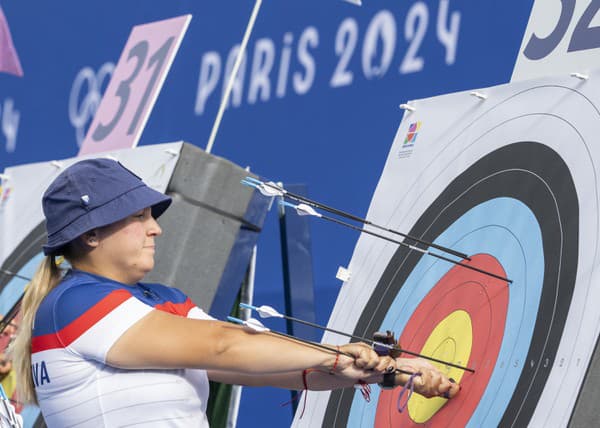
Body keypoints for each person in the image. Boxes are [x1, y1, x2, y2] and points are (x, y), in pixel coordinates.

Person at [10, 159, 458, 427]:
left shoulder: (163, 300)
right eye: (139, 217)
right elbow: (224, 346)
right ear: (91, 235)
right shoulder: (73, 303)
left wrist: (392, 373)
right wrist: (339, 353)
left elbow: (277, 371)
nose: (156, 228)